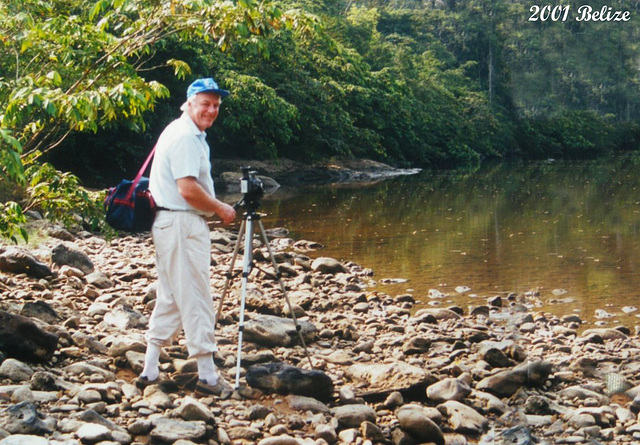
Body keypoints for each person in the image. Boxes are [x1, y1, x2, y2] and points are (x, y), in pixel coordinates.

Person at [136, 77, 237, 395]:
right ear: (189, 102)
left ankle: (150, 369)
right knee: (195, 295)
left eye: (216, 105)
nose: (211, 110)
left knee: (171, 297)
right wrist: (221, 208)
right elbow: (188, 189)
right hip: (181, 224)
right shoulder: (185, 137)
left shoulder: (186, 132)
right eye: (205, 103)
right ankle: (207, 376)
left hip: (174, 223)